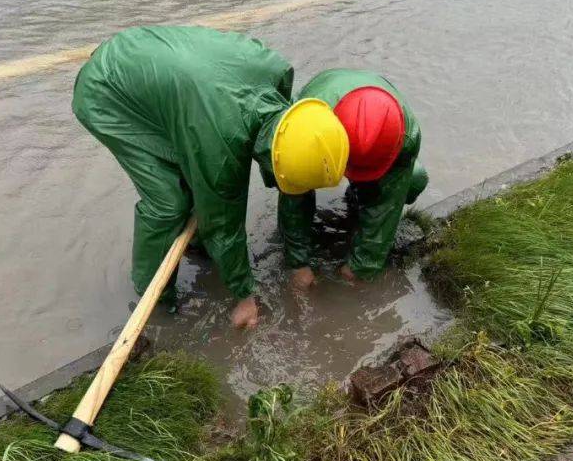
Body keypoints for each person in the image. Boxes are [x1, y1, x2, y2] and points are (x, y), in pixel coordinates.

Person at [73, 26, 349, 329]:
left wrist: (299, 260)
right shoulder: (220, 142)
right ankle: (156, 303)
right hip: (108, 92)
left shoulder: (277, 71)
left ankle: (197, 248)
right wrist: (245, 296)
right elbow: (224, 224)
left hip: (141, 52)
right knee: (169, 202)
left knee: (200, 183)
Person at [279, 69, 428, 289]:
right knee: (298, 184)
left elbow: (386, 206)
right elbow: (294, 196)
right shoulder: (311, 123)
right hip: (322, 121)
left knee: (415, 179)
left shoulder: (407, 135)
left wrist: (360, 267)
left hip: (378, 145)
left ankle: (359, 199)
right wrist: (298, 263)